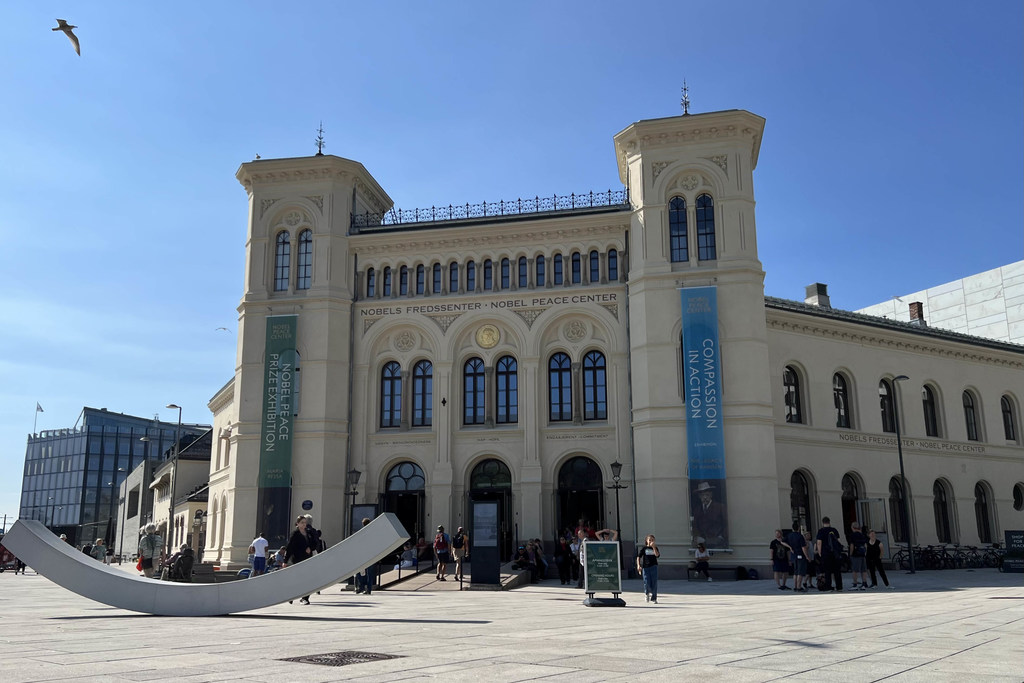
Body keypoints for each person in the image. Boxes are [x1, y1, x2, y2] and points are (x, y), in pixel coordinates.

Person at [285, 515, 313, 604]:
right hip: (297, 559)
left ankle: (305, 598)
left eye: (305, 523)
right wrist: (285, 561)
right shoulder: (295, 534)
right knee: (298, 579)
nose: (304, 524)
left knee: (307, 579)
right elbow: (289, 547)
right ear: (297, 524)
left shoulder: (308, 533)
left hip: (307, 558)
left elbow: (315, 543)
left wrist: (310, 548)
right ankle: (291, 595)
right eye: (302, 523)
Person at [691, 481, 727, 547]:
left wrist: (721, 537)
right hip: (702, 544)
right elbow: (695, 526)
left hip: (717, 543)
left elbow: (726, 524)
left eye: (707, 495)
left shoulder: (720, 507)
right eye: (702, 495)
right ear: (699, 496)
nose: (705, 497)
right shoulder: (697, 510)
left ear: (711, 495)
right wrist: (697, 536)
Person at [815, 516, 843, 591]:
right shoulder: (834, 530)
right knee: (837, 571)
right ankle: (839, 586)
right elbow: (839, 541)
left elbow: (819, 542)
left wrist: (819, 552)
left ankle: (828, 587)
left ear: (823, 522)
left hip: (826, 553)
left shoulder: (821, 531)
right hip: (835, 553)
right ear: (829, 522)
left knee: (827, 571)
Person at [637, 534, 661, 603]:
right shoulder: (644, 548)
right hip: (646, 567)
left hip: (654, 566)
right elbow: (639, 557)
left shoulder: (655, 548)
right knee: (647, 582)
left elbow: (657, 555)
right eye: (649, 540)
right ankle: (647, 593)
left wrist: (653, 547)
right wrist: (638, 565)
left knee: (654, 582)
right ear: (646, 541)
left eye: (652, 540)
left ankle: (654, 598)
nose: (651, 541)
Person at [786, 523, 808, 592]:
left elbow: (782, 542)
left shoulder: (789, 535)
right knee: (800, 572)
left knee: (795, 572)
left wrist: (789, 547)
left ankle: (795, 586)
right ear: (798, 528)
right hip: (800, 555)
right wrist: (807, 556)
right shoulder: (800, 536)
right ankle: (799, 587)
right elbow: (803, 547)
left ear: (792, 528)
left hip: (793, 555)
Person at [848, 522, 869, 590]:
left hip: (855, 554)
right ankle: (864, 583)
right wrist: (865, 552)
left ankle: (855, 584)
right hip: (862, 554)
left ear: (852, 527)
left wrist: (851, 554)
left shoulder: (852, 535)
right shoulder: (862, 535)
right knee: (863, 569)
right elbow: (865, 545)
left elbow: (852, 545)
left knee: (855, 570)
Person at [355, 518, 373, 594]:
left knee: (360, 572)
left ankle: (361, 587)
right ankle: (368, 589)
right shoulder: (372, 532)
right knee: (369, 573)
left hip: (363, 554)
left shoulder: (362, 532)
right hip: (371, 554)